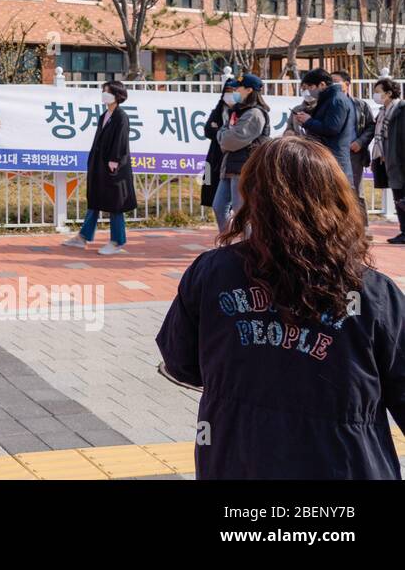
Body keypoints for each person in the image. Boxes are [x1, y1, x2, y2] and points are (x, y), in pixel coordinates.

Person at [156, 136, 405, 479]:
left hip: (236, 458)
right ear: (336, 197)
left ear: (253, 196)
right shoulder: (374, 293)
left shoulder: (212, 273)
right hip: (345, 464)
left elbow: (181, 363)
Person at [63, 80, 135, 255]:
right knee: (95, 200)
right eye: (103, 91)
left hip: (114, 168)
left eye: (107, 91)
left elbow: (121, 141)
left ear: (117, 95)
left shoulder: (121, 116)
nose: (104, 94)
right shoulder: (105, 116)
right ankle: (83, 237)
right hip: (99, 166)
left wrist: (114, 161)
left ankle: (117, 241)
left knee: (115, 204)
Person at [212, 73, 270, 235]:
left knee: (242, 211)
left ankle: (249, 246)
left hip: (245, 167)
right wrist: (224, 133)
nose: (235, 90)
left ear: (250, 90)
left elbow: (230, 140)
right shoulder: (238, 111)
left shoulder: (254, 114)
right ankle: (227, 242)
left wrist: (222, 134)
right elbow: (225, 134)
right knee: (219, 206)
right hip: (230, 166)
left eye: (239, 87)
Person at [293, 68, 354, 183]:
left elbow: (332, 128)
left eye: (310, 87)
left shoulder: (336, 100)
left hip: (333, 159)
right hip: (325, 157)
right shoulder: (329, 99)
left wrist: (308, 121)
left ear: (322, 84)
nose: (309, 91)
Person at [333, 70, 374, 203]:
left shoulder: (360, 105)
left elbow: (371, 126)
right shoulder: (328, 105)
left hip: (354, 153)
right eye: (330, 82)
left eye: (335, 82)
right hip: (332, 154)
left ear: (347, 84)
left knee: (355, 192)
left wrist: (360, 142)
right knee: (333, 192)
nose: (332, 85)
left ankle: (361, 224)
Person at [373, 78, 405, 245]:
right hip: (389, 159)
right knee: (398, 197)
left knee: (402, 196)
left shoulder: (401, 110)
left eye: (379, 92)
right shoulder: (382, 112)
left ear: (389, 93)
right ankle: (404, 231)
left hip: (400, 158)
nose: (376, 95)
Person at [200, 80, 233, 213]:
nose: (230, 95)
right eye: (227, 91)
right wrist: (223, 133)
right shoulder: (218, 110)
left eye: (233, 92)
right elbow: (208, 130)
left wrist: (219, 131)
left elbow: (235, 135)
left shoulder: (241, 112)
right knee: (212, 189)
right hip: (215, 155)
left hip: (231, 157)